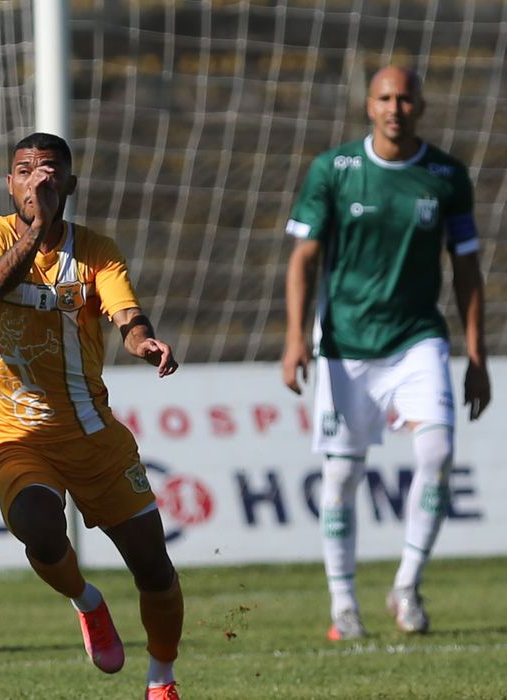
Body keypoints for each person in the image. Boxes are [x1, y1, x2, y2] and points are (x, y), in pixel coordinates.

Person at [0, 132, 184, 700]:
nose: (37, 179)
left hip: (91, 431)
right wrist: (37, 228)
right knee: (36, 526)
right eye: (25, 170)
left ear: (70, 183)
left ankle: (162, 678)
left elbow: (126, 313)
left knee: (153, 567)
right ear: (10, 183)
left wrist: (142, 341)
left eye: (50, 170)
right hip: (15, 430)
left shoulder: (96, 250)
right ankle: (87, 601)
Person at [282, 66, 490, 640]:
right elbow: (303, 260)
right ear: (369, 105)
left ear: (421, 106)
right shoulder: (334, 170)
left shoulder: (446, 175)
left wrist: (476, 357)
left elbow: (467, 269)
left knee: (438, 452)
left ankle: (407, 585)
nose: (395, 107)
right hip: (344, 343)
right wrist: (295, 337)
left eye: (405, 98)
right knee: (341, 476)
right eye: (385, 97)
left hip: (418, 338)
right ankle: (343, 604)